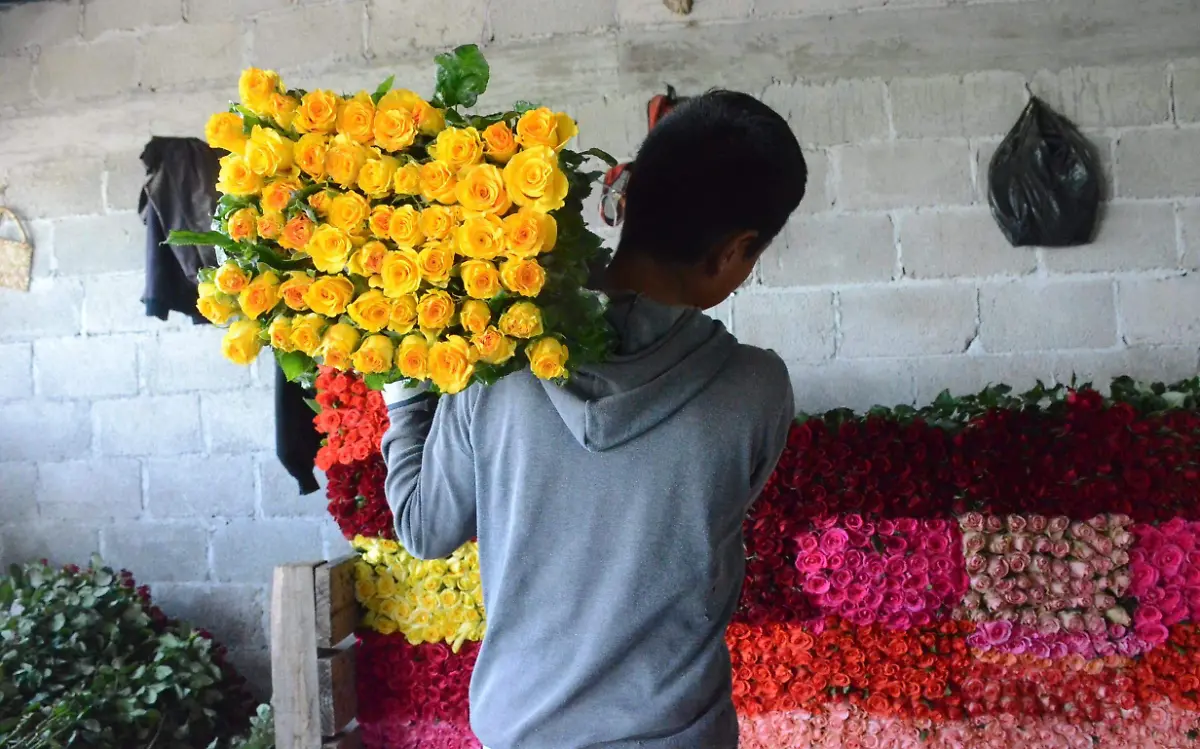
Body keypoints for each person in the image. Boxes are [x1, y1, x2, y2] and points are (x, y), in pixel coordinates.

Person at [381, 90, 807, 749]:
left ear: (626, 197)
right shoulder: (755, 389)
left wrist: (404, 382)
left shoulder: (497, 368)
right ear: (735, 250)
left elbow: (424, 527)